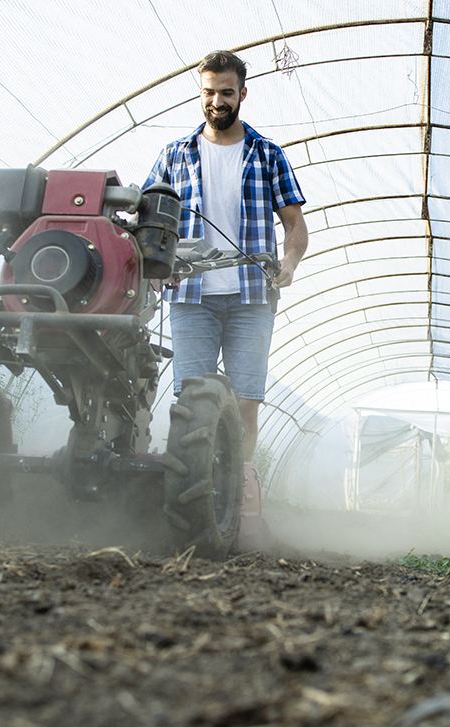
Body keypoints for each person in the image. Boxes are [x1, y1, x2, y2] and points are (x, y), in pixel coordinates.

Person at [143, 50, 308, 463]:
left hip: (252, 296)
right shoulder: (174, 154)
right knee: (191, 402)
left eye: (226, 93)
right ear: (201, 92)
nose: (217, 101)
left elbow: (295, 225)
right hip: (190, 294)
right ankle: (195, 489)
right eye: (209, 92)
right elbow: (148, 220)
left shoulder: (267, 154)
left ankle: (239, 494)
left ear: (243, 94)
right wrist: (154, 267)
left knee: (245, 402)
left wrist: (288, 263)